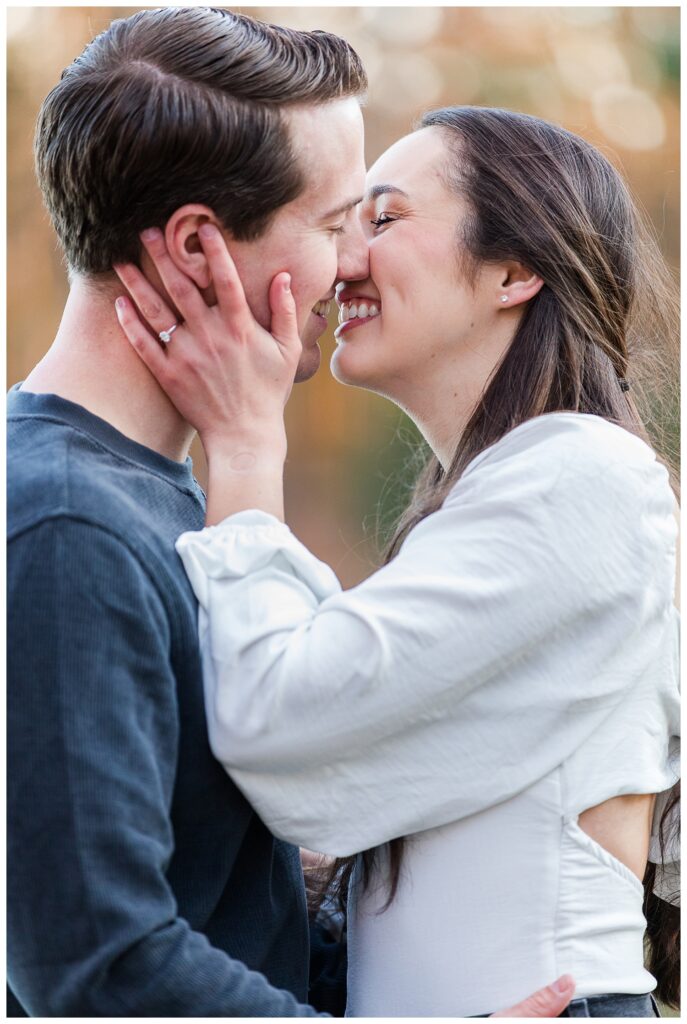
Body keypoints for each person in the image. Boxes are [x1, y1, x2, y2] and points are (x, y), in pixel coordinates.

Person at [7, 6, 573, 1018]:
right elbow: (96, 964)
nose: (351, 262)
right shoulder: (63, 523)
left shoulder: (152, 502)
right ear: (195, 247)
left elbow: (227, 914)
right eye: (331, 222)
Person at [115, 106, 680, 1017]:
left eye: (382, 219)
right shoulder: (508, 496)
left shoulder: (585, 477)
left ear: (515, 270)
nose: (341, 263)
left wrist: (249, 444)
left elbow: (278, 721)